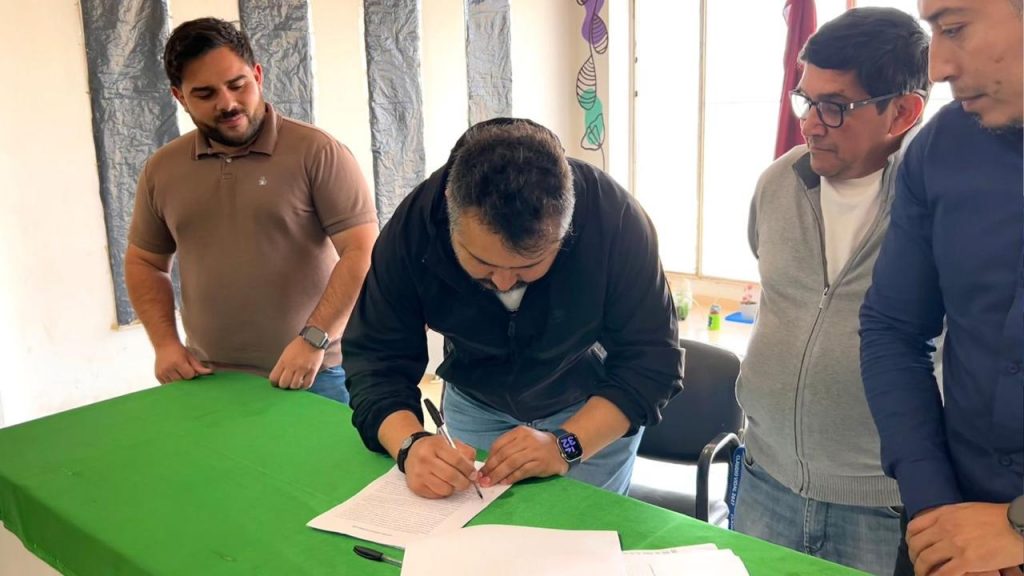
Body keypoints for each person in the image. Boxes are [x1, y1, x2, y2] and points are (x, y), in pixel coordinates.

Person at [343, 118, 683, 498]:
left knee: (583, 529)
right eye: (482, 263)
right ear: (450, 215)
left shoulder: (614, 220)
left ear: (566, 229)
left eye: (527, 267)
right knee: (479, 526)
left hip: (588, 406)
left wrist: (566, 446)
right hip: (475, 404)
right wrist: (410, 445)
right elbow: (375, 357)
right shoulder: (414, 227)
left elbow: (650, 362)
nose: (503, 283)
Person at [735, 8, 929, 575]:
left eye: (835, 106)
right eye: (806, 99)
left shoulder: (936, 203)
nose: (810, 125)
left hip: (880, 502)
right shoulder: (778, 183)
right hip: (766, 476)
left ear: (903, 111)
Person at [125, 18, 378, 403]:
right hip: (207, 376)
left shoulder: (318, 152)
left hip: (316, 372)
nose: (227, 103)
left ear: (257, 75)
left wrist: (313, 339)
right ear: (180, 97)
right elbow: (145, 262)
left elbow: (363, 250)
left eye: (237, 84)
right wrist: (165, 344)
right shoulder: (162, 169)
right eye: (205, 93)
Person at [860, 0, 1024, 574]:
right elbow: (893, 328)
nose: (938, 68)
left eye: (955, 29)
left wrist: (1016, 526)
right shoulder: (939, 149)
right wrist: (934, 507)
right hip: (951, 530)